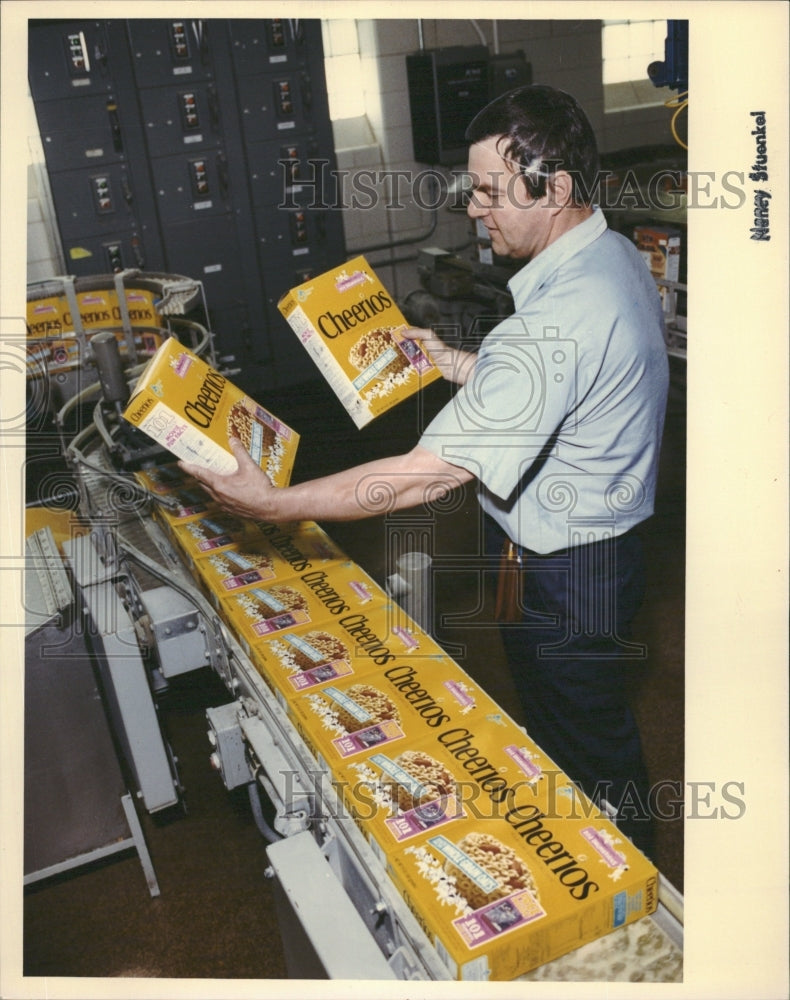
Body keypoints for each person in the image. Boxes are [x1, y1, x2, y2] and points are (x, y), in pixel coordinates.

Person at [181, 85, 669, 855]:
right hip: (604, 556)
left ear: (557, 189)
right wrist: (454, 361)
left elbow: (424, 476)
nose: (473, 209)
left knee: (588, 753)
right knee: (579, 735)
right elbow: (569, 387)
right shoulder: (609, 257)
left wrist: (271, 502)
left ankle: (628, 900)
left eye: (486, 191)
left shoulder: (552, 324)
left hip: (571, 577)